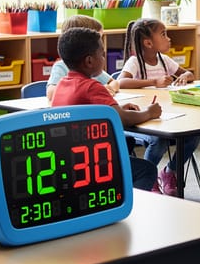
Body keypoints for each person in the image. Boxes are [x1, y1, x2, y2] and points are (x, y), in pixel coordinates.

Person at [51, 27, 161, 191]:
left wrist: (114, 109)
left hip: (66, 158)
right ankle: (132, 209)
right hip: (88, 162)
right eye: (102, 54)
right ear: (89, 61)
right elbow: (123, 119)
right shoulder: (91, 86)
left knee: (127, 143)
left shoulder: (62, 84)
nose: (103, 58)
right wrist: (149, 112)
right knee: (146, 170)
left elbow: (88, 111)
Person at [118, 18, 199, 195]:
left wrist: (185, 76)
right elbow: (121, 81)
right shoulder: (135, 62)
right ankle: (150, 175)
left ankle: (170, 171)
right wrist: (154, 81)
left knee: (194, 136)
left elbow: (188, 73)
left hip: (166, 115)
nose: (169, 39)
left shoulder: (164, 60)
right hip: (142, 118)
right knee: (159, 140)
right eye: (163, 34)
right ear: (148, 42)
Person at [46, 14, 120, 101]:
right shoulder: (62, 66)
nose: (100, 45)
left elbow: (114, 82)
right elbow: (51, 93)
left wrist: (108, 89)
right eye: (98, 40)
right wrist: (86, 91)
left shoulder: (90, 67)